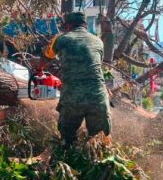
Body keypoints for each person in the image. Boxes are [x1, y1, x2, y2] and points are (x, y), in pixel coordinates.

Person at [42, 12, 111, 146]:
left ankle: (68, 154)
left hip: (72, 98)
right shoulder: (98, 41)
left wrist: (39, 70)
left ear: (68, 26)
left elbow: (46, 57)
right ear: (85, 25)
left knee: (68, 142)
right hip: (98, 96)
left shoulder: (61, 39)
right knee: (100, 144)